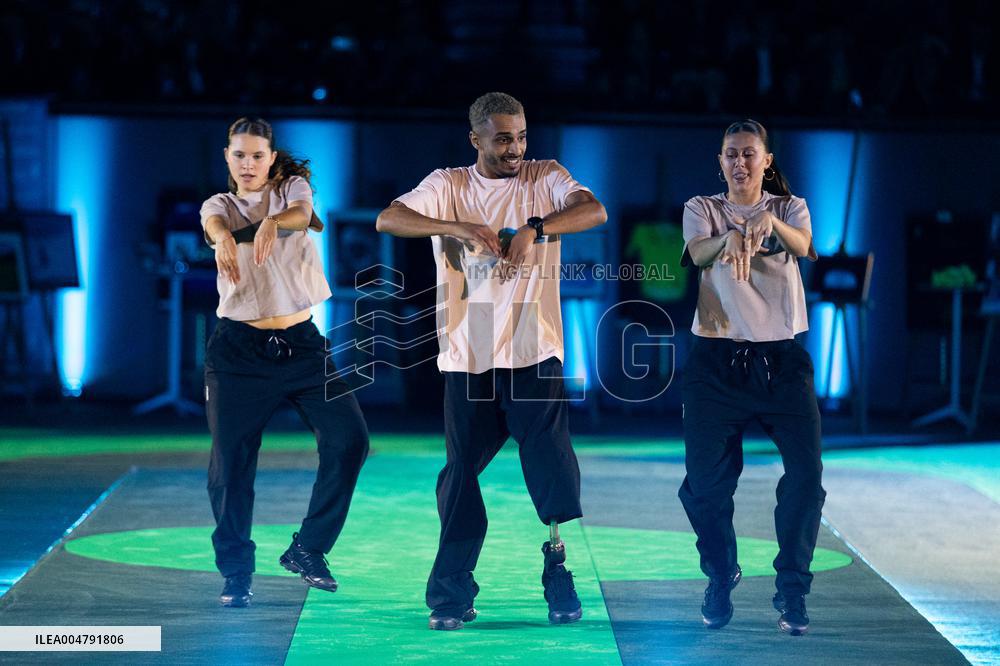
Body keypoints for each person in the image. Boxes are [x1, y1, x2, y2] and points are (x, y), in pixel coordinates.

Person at [376, 92, 607, 630]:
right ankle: (451, 591)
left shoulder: (544, 177)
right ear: (475, 139)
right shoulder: (449, 184)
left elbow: (594, 210)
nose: (515, 148)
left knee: (550, 464)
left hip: (533, 351)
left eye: (521, 136)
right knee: (459, 474)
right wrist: (455, 227)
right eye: (503, 139)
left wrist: (535, 229)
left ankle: (557, 568)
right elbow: (389, 218)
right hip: (468, 357)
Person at [200, 117, 370, 607]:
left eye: (257, 155)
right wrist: (223, 237)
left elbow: (301, 213)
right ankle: (236, 573)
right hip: (237, 352)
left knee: (350, 439)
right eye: (239, 155)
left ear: (271, 158)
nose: (248, 164)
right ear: (227, 157)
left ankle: (308, 548)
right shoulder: (219, 205)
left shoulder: (291, 190)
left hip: (301, 347)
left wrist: (272, 222)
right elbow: (213, 224)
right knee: (231, 466)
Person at [678, 119, 824, 636]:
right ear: (719, 161)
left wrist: (768, 225)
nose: (739, 162)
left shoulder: (790, 207)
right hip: (716, 364)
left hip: (781, 364)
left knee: (806, 478)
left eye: (748, 154)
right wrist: (732, 236)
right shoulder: (702, 208)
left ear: (766, 161)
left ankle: (792, 589)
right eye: (730, 154)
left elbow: (803, 245)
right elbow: (698, 252)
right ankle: (721, 573)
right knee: (704, 486)